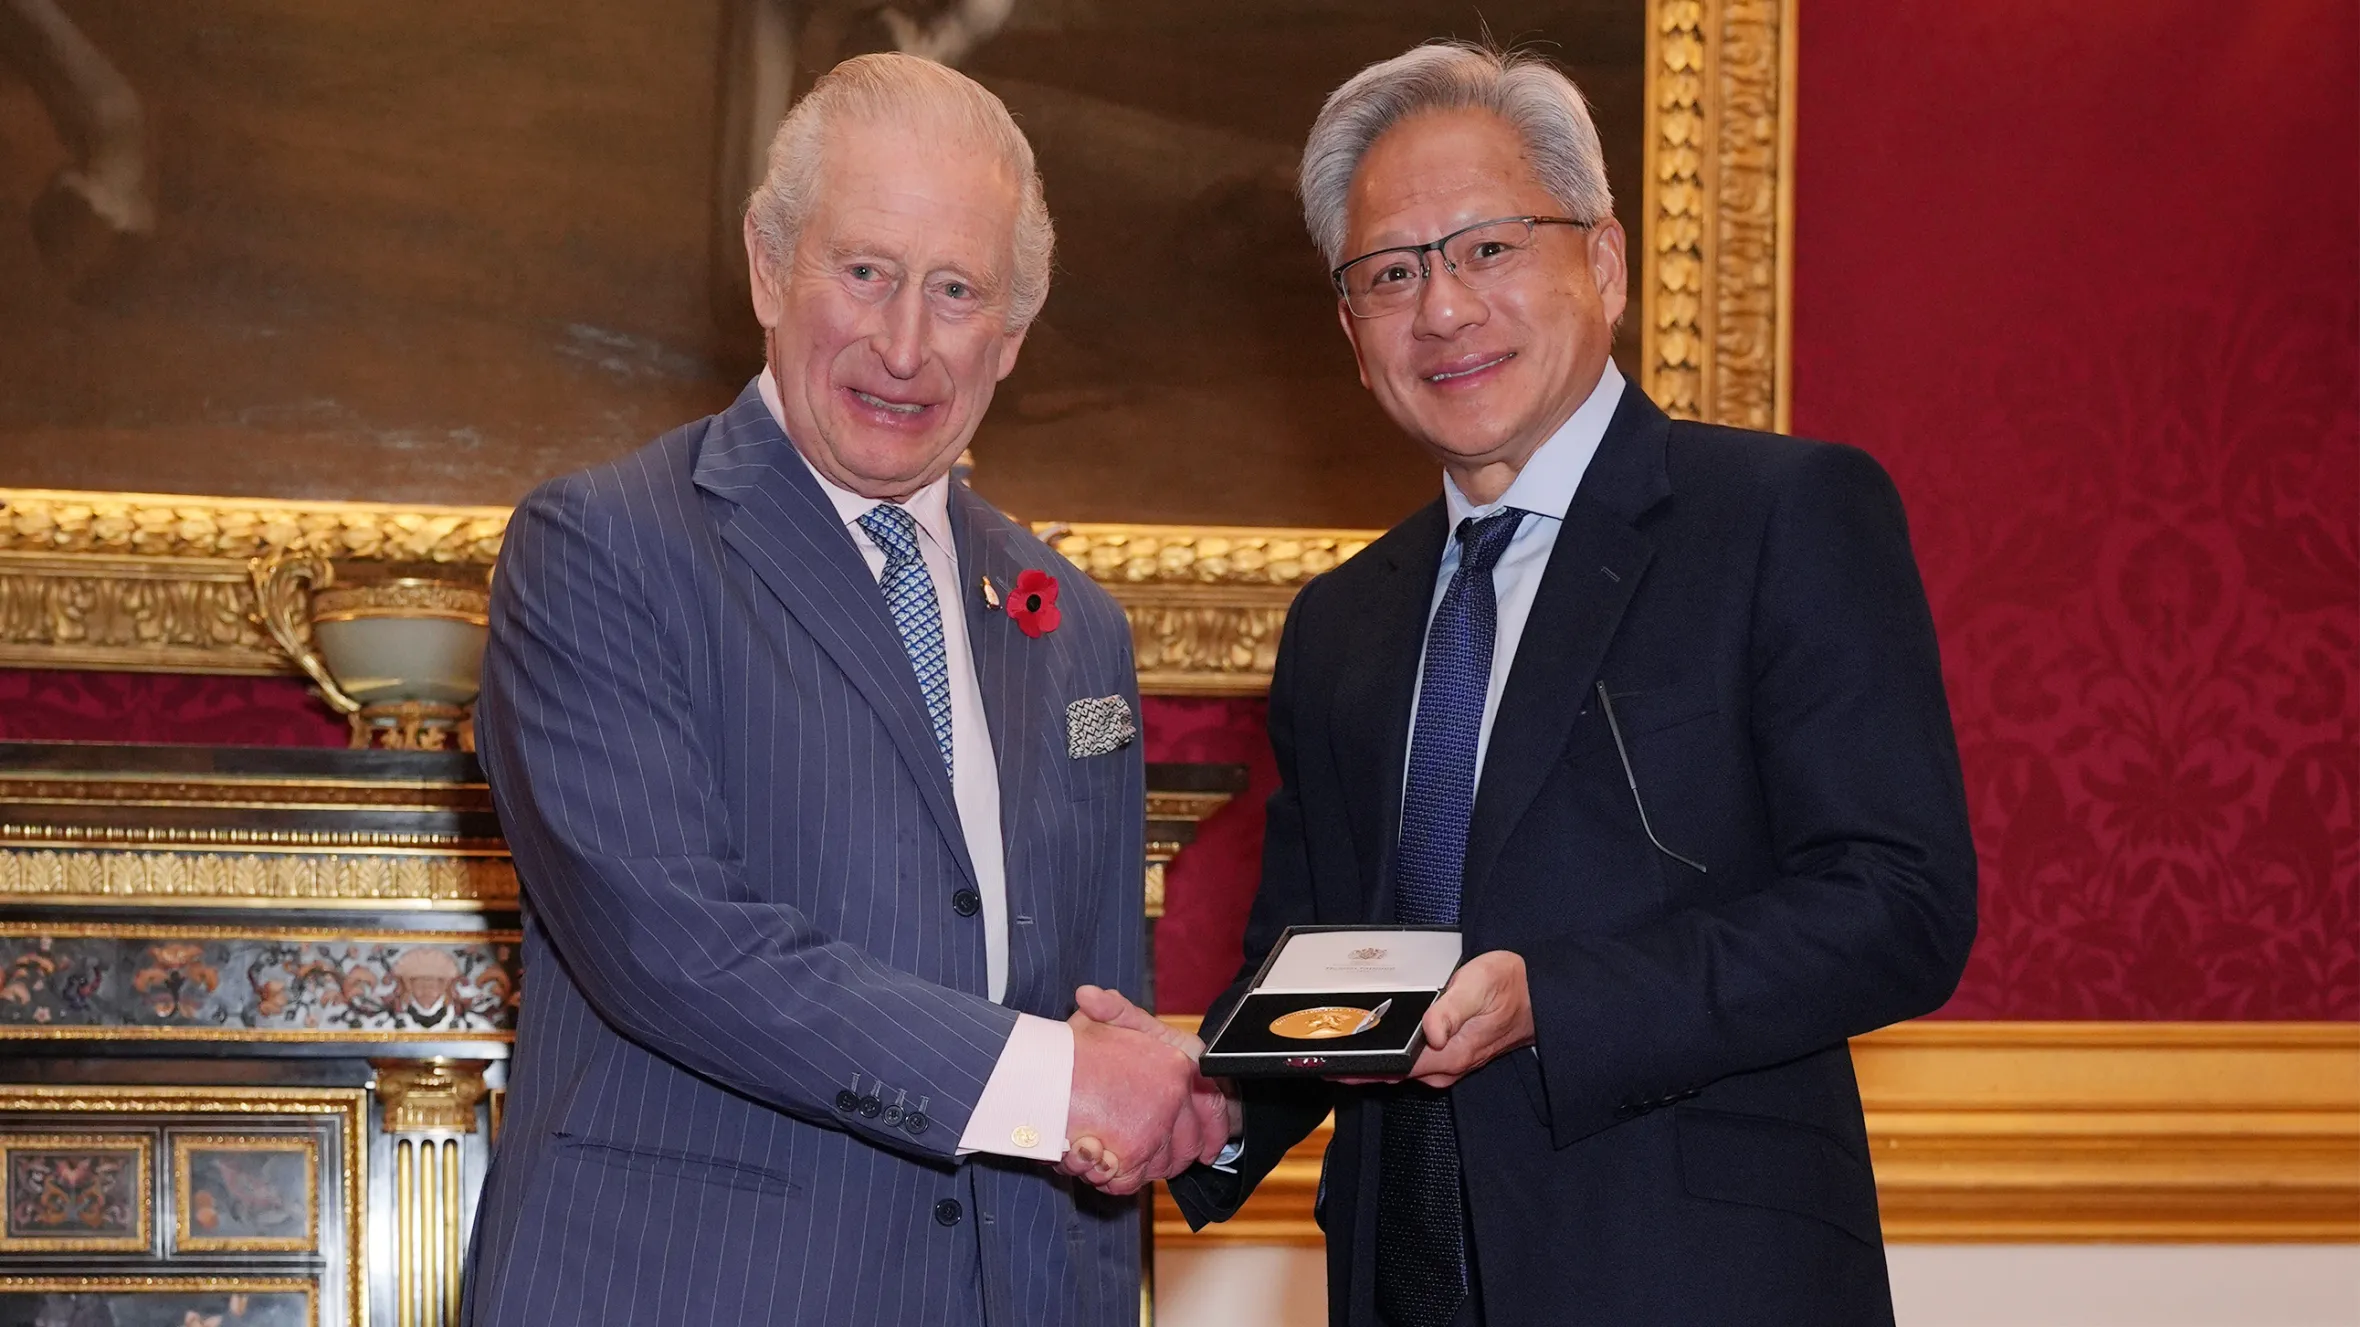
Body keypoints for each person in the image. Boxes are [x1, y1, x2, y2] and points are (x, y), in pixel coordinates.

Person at [1091, 41, 1978, 1326]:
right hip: (1405, 1280)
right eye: (1390, 273)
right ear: (1351, 332)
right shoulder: (1342, 622)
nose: (1440, 309)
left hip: (1696, 1279)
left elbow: (1898, 904)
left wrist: (1550, 1001)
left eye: (1488, 248)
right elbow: (1326, 964)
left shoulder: (1779, 517)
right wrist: (1209, 1092)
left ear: (1603, 262)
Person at [462, 53, 1228, 1325]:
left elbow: (1098, 1017)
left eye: (957, 291)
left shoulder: (1073, 624)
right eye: (864, 271)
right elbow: (678, 948)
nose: (905, 345)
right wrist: (1063, 1081)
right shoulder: (603, 549)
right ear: (769, 266)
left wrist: (1189, 1104)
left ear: (1013, 335)